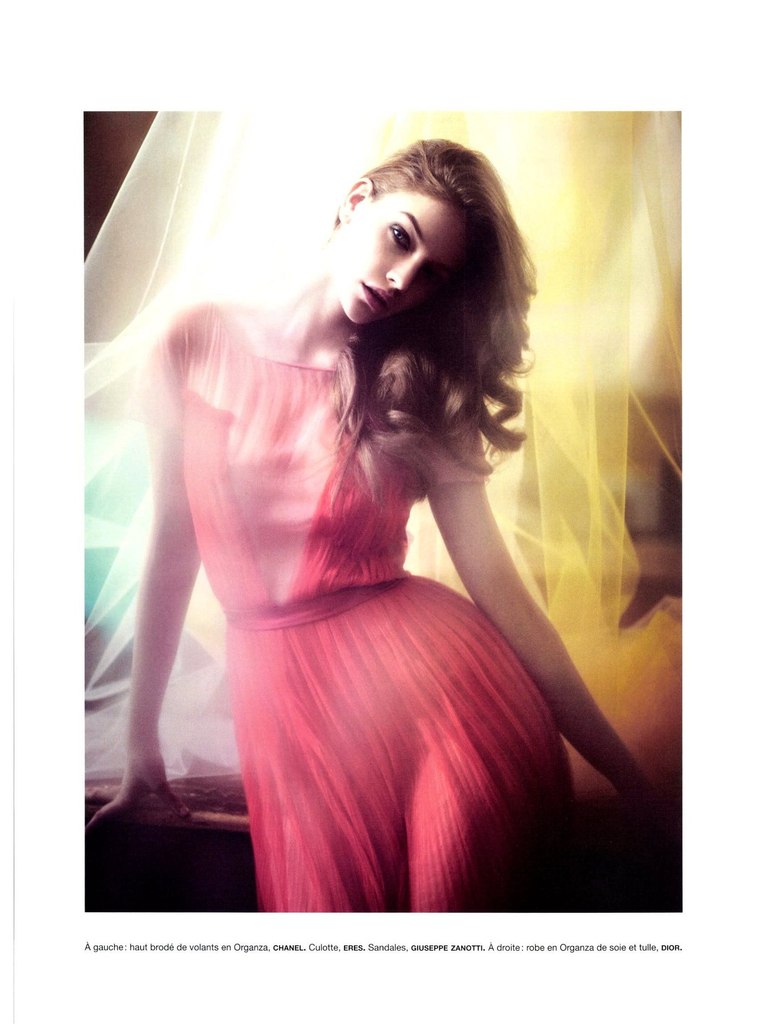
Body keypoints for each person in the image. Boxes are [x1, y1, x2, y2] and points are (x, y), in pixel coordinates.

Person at [87, 138, 659, 911]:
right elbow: (171, 546)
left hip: (447, 705)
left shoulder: (418, 384)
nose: (400, 280)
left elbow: (501, 592)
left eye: (432, 275)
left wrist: (627, 778)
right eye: (399, 237)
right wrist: (140, 749)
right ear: (357, 202)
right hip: (289, 709)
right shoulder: (193, 337)